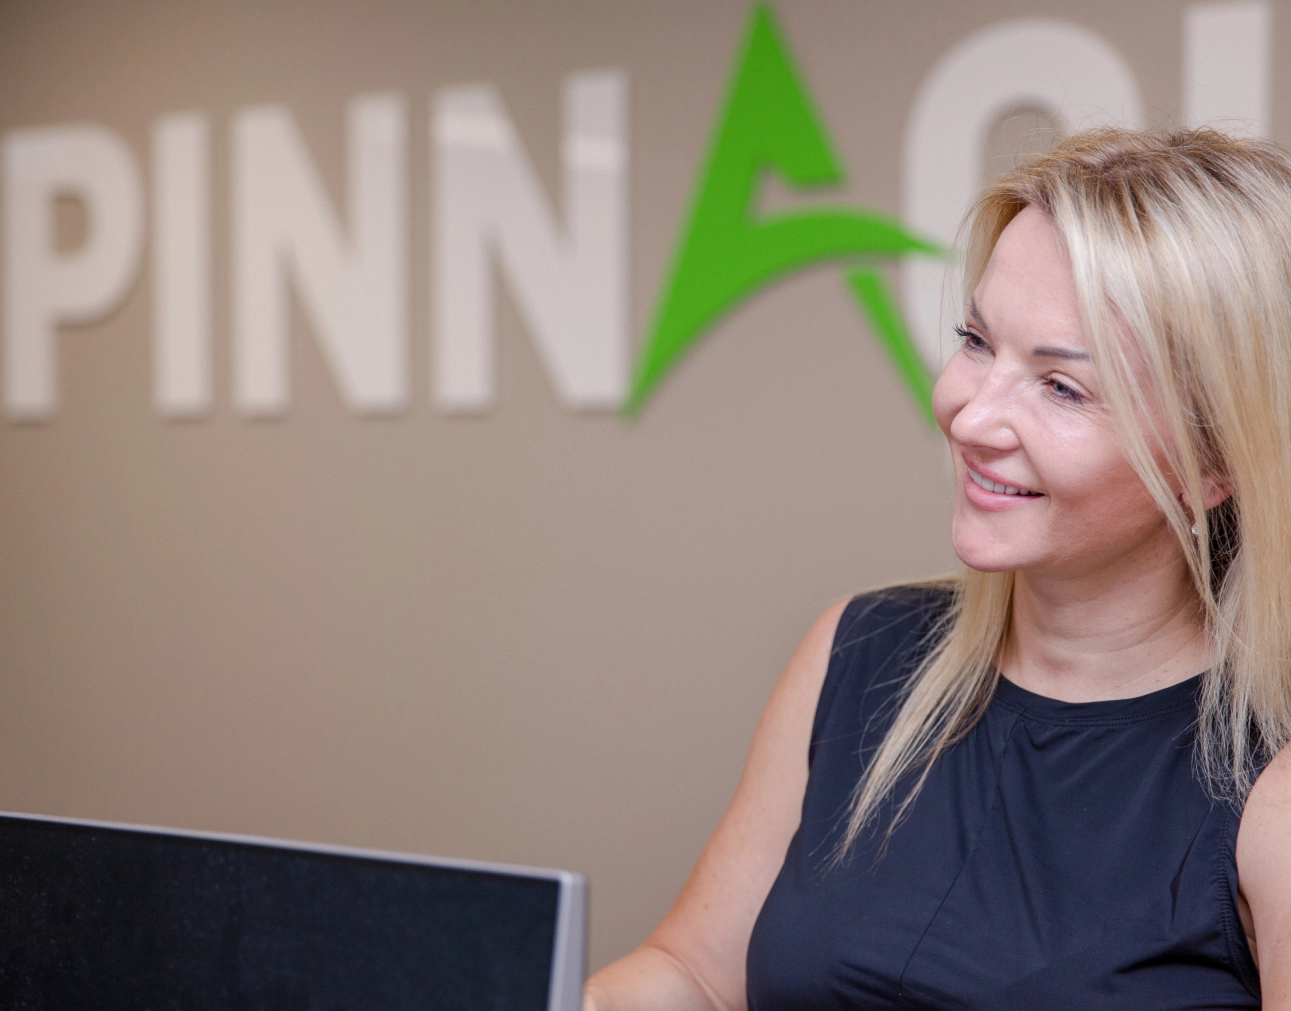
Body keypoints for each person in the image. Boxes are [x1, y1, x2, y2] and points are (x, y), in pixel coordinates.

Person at [584, 128, 1291, 1010]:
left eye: (1061, 386)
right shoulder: (859, 651)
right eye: (976, 341)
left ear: (1212, 464)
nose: (969, 415)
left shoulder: (1270, 788)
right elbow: (693, 972)